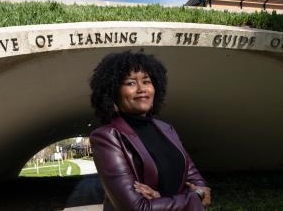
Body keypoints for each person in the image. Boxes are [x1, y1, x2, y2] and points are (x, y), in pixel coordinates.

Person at [89, 51, 211, 211]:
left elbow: (203, 189)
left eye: (146, 81)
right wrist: (194, 196)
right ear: (113, 93)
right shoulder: (107, 137)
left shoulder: (167, 129)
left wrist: (160, 198)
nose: (141, 89)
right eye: (130, 83)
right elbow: (136, 208)